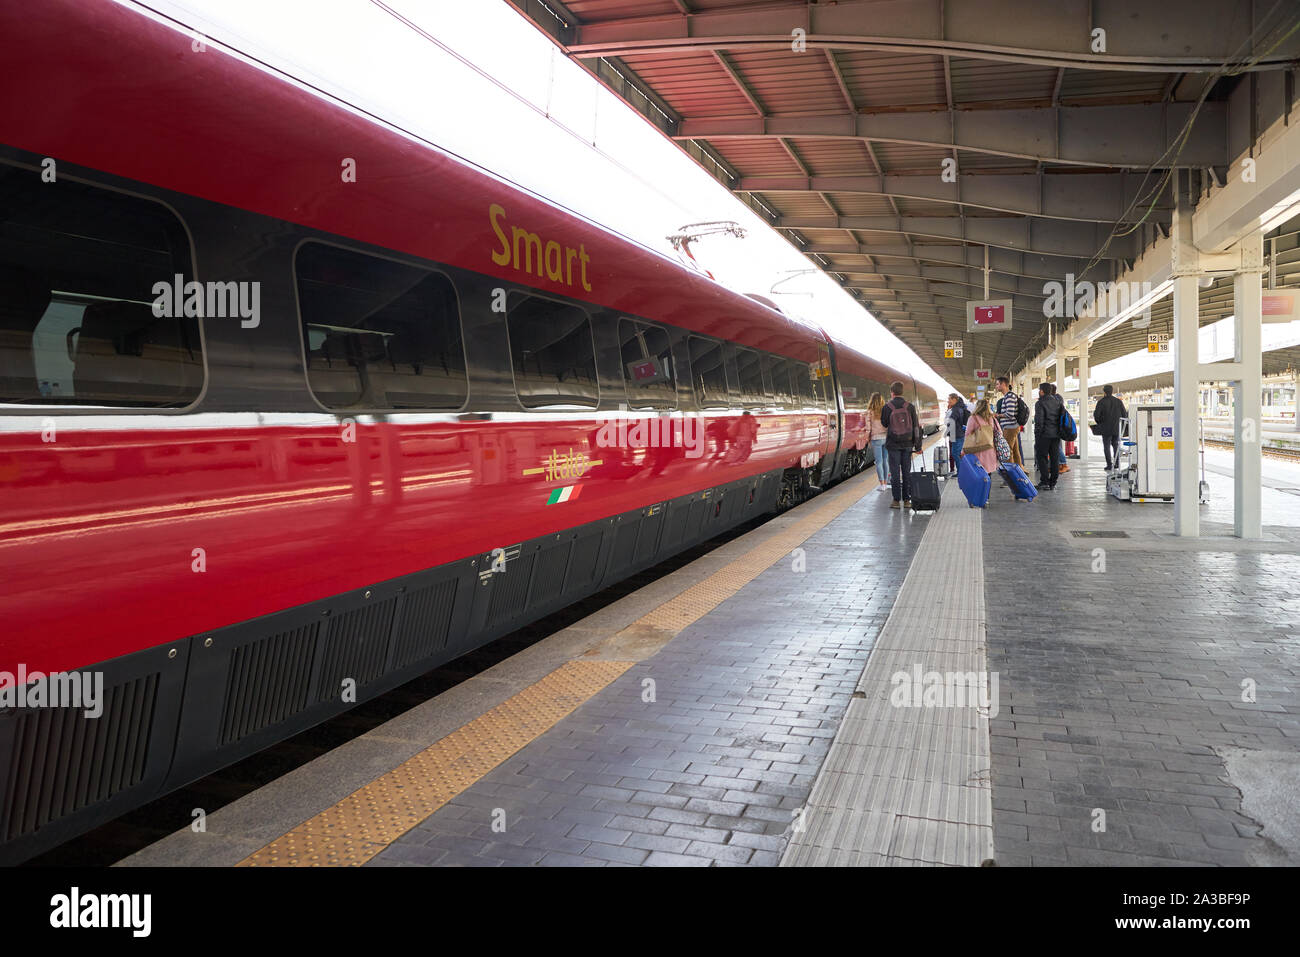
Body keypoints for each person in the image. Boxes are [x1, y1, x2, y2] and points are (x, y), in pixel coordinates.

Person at [881, 380, 922, 509]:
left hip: (893, 444)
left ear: (892, 392)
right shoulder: (910, 406)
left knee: (894, 473)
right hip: (907, 444)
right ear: (902, 392)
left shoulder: (887, 407)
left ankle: (896, 501)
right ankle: (907, 500)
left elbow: (884, 423)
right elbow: (916, 426)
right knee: (906, 471)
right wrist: (918, 446)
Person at [1034, 382, 1065, 491]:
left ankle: (1044, 482)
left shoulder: (1040, 403)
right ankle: (1053, 482)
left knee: (1042, 458)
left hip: (1044, 435)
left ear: (1041, 391)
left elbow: (1039, 421)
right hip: (1056, 435)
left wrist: (1037, 434)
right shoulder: (1057, 401)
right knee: (1054, 458)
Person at [961, 398, 1000, 477]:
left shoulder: (973, 418)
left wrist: (963, 450)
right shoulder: (992, 418)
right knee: (988, 476)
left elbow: (967, 434)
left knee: (978, 476)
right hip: (990, 451)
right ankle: (986, 489)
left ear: (977, 407)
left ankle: (981, 489)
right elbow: (999, 432)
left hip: (978, 451)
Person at [1093, 384, 1127, 470]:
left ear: (1104, 391)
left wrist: (1100, 422)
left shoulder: (1101, 402)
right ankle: (1117, 463)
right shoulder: (1118, 402)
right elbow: (1124, 415)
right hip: (1116, 428)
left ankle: (1109, 464)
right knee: (1116, 445)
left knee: (1106, 446)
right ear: (1112, 391)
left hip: (1105, 428)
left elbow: (1097, 416)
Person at [993, 376, 1024, 467]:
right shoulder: (1008, 396)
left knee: (1007, 451)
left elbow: (1010, 414)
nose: (996, 386)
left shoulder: (1009, 396)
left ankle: (1011, 474)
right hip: (1011, 427)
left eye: (998, 384)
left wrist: (997, 415)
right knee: (1015, 451)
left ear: (1003, 384)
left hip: (1010, 427)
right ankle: (1020, 470)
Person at [866, 391, 889, 490]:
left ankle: (882, 484)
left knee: (878, 462)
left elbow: (868, 428)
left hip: (876, 439)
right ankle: (886, 482)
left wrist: (868, 438)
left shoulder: (870, 412)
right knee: (885, 461)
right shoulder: (885, 410)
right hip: (886, 438)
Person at [945, 393, 969, 474]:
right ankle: (961, 471)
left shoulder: (955, 409)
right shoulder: (960, 407)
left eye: (949, 399)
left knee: (956, 454)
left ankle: (961, 472)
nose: (948, 401)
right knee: (957, 453)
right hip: (959, 433)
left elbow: (951, 421)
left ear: (954, 399)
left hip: (956, 435)